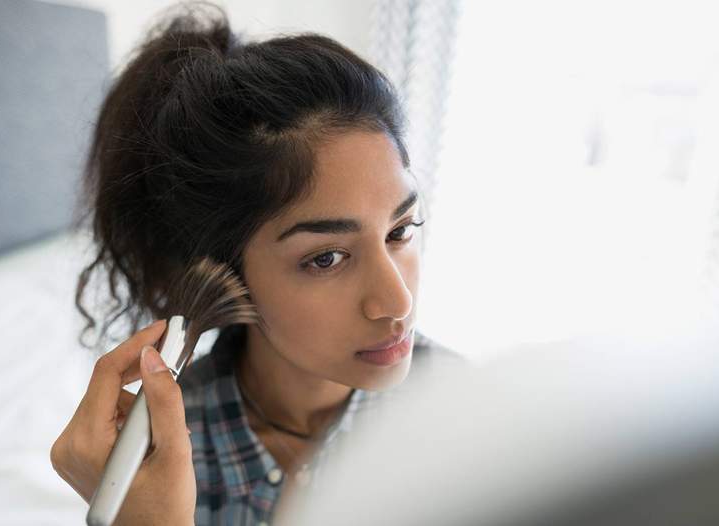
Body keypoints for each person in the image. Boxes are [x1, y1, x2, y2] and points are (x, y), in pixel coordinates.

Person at [50, 3, 458, 525]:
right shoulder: (158, 464)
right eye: (327, 258)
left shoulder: (465, 414)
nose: (397, 301)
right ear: (220, 273)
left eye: (400, 231)